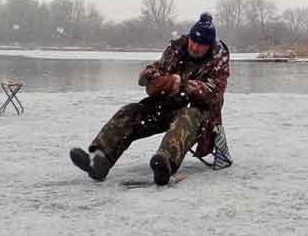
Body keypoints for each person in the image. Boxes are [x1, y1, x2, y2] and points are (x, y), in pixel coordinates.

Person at [70, 12, 230, 185]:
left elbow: (214, 93)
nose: (195, 47)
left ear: (209, 46)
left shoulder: (218, 59)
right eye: (193, 41)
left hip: (200, 116)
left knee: (188, 114)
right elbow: (156, 67)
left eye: (201, 45)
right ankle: (100, 159)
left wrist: (180, 84)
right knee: (130, 112)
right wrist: (150, 76)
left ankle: (165, 163)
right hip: (166, 107)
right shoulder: (177, 49)